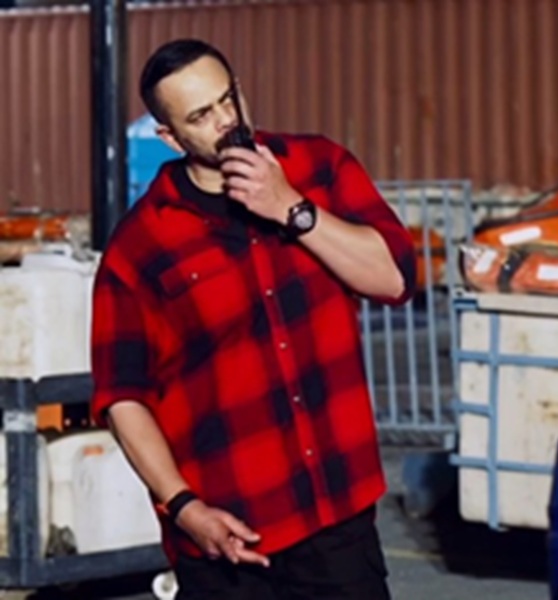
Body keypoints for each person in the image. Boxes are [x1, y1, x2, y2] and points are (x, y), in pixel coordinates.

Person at [91, 38, 416, 600]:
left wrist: (291, 207)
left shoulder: (319, 167)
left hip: (336, 517)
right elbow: (122, 397)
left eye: (228, 99)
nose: (226, 121)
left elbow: (394, 279)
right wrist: (183, 507)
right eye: (200, 116)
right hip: (225, 538)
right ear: (169, 137)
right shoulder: (140, 245)